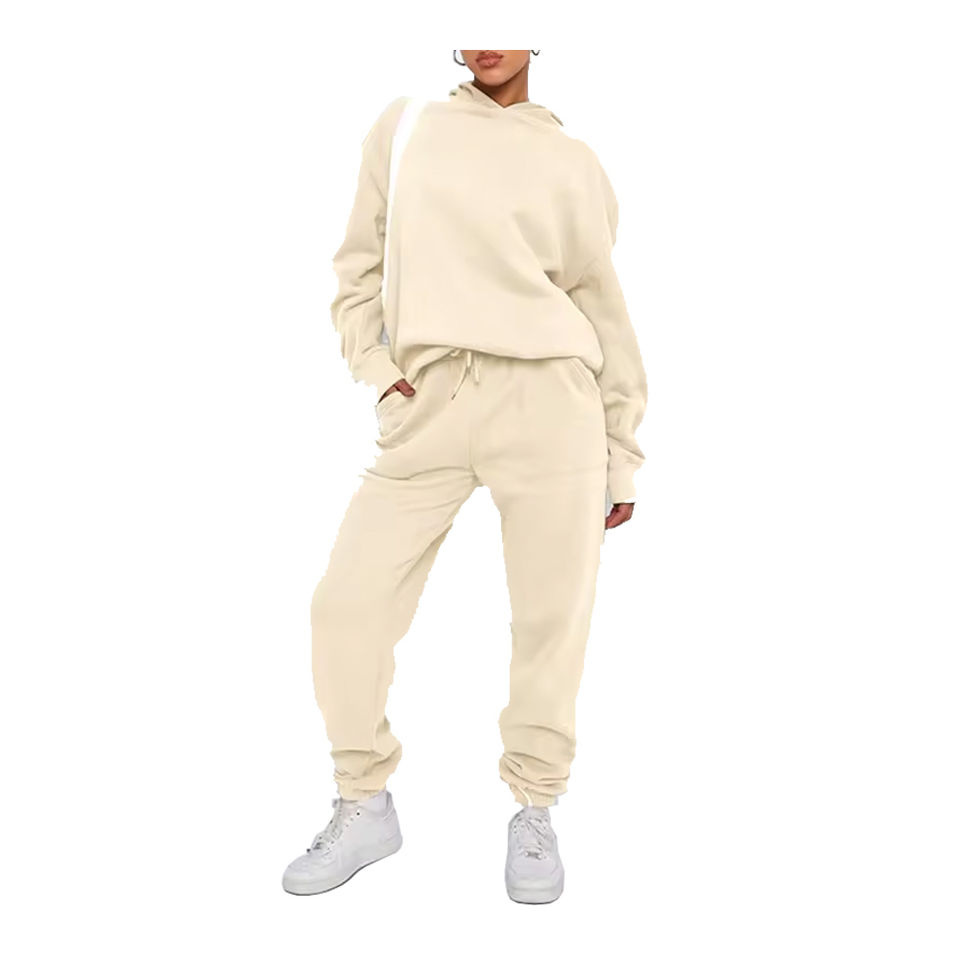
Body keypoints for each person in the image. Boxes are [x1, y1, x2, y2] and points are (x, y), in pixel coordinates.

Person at [282, 49, 647, 904]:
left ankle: (535, 808)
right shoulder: (406, 124)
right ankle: (364, 800)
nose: (486, 40)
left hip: (552, 402)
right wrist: (379, 370)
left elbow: (601, 303)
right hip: (431, 401)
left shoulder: (573, 160)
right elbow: (356, 268)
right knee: (345, 606)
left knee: (551, 619)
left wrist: (621, 446)